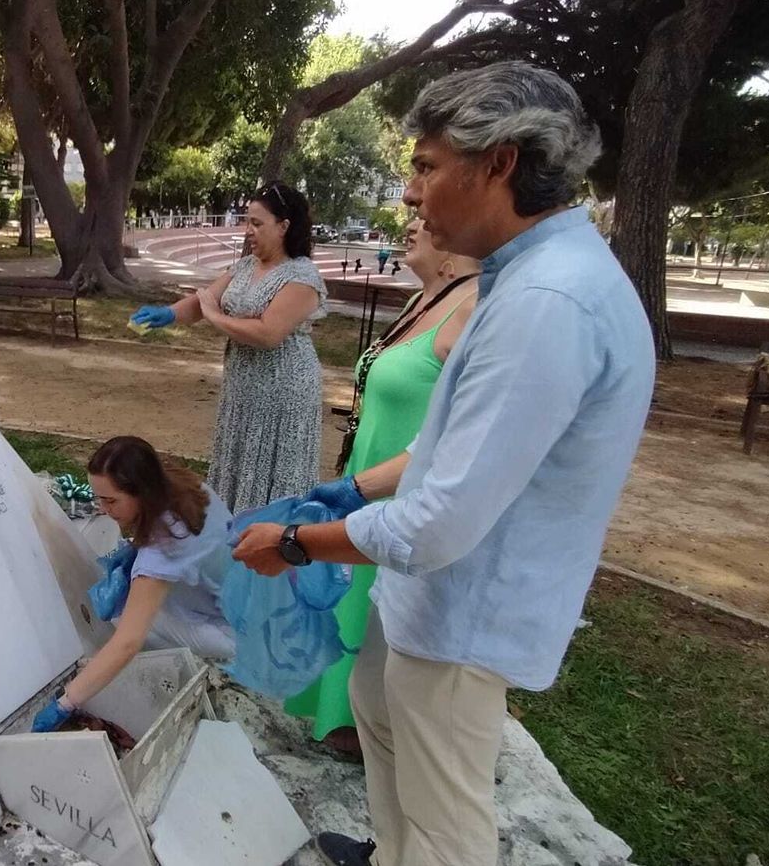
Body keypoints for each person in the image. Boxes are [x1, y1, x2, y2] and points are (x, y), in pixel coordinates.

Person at [231, 61, 654, 866]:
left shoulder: (545, 304)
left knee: (445, 810)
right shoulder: (524, 280)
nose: (409, 195)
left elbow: (437, 524)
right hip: (427, 595)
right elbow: (453, 447)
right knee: (380, 717)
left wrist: (292, 546)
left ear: (499, 161)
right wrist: (350, 488)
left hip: (467, 606)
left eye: (425, 167)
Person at [285, 219, 479, 758]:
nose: (414, 224)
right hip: (369, 476)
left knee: (374, 613)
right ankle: (341, 714)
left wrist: (365, 485)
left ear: (452, 248)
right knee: (347, 600)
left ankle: (363, 731)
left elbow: (453, 436)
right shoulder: (425, 300)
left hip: (401, 494)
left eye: (426, 221)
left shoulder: (470, 308)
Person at [130, 183, 327, 511]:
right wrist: (168, 314)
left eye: (256, 223)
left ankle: (269, 541)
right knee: (238, 463)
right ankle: (235, 536)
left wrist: (214, 317)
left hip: (283, 392)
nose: (248, 230)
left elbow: (268, 333)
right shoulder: (246, 266)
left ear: (284, 226)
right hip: (244, 387)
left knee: (272, 473)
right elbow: (203, 301)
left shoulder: (302, 278)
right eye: (246, 221)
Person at [32, 437, 235, 732]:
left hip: (233, 634)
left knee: (119, 611)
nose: (102, 508)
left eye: (111, 500)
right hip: (246, 598)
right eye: (98, 498)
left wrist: (65, 703)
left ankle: (168, 674)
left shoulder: (159, 554)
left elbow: (127, 643)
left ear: (142, 492)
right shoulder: (187, 485)